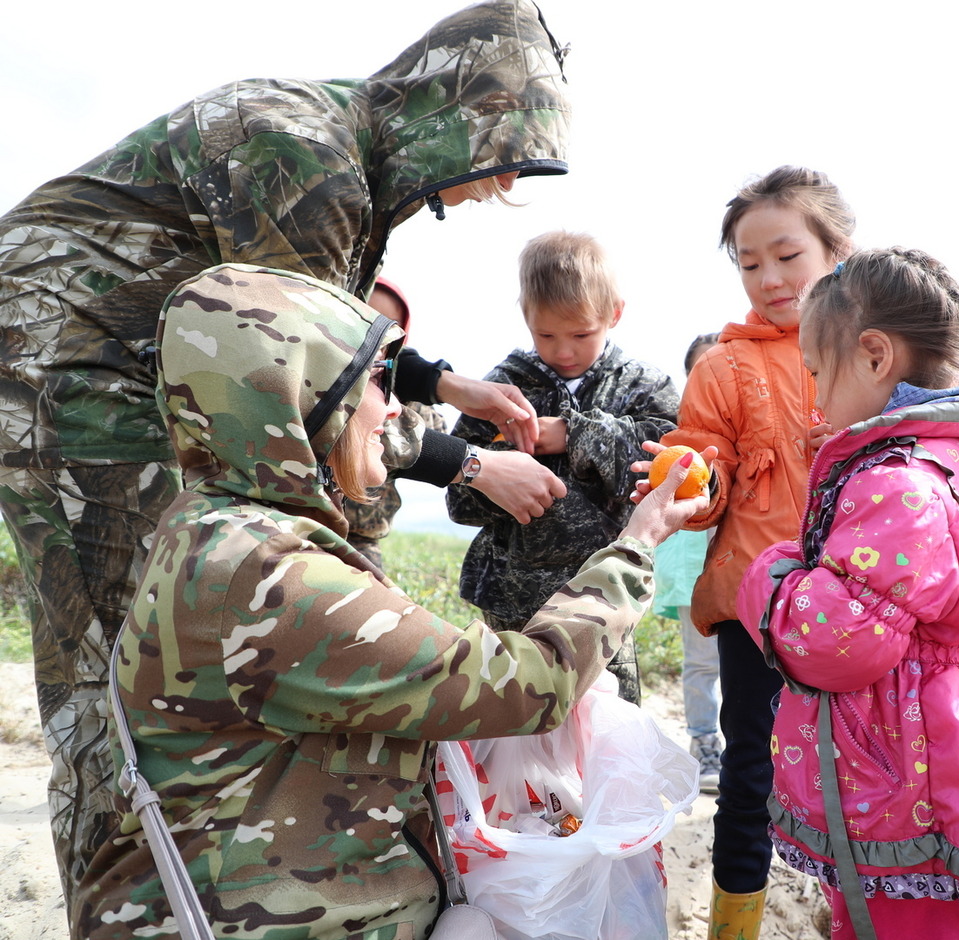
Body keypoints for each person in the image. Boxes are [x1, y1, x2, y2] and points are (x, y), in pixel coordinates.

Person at [0, 0, 571, 911]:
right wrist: (467, 465)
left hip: (110, 366)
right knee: (117, 671)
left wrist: (443, 383)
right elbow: (300, 388)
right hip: (74, 383)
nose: (478, 198)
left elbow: (331, 354)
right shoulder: (309, 163)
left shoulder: (342, 141)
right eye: (487, 173)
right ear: (451, 123)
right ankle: (141, 911)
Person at [73, 263, 707, 940]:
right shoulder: (270, 577)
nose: (397, 410)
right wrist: (638, 542)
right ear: (303, 395)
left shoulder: (214, 525)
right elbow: (532, 683)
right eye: (376, 381)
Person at [737, 248, 959, 938]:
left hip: (907, 781)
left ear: (873, 358)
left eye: (815, 371)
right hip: (952, 767)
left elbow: (832, 643)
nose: (814, 397)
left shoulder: (895, 480)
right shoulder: (954, 460)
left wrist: (771, 574)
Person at [657, 166, 855, 939]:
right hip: (755, 604)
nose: (769, 277)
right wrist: (690, 476)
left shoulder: (878, 350)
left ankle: (861, 917)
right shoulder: (724, 366)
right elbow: (705, 478)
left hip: (867, 605)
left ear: (837, 250)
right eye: (749, 262)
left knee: (868, 776)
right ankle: (732, 927)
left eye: (787, 255)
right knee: (750, 773)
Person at [446, 231, 680, 705]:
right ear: (526, 317)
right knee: (511, 724)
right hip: (512, 601)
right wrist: (502, 467)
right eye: (546, 335)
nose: (564, 350)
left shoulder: (643, 386)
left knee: (607, 731)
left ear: (614, 313)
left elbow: (668, 462)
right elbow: (457, 495)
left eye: (581, 334)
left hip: (606, 599)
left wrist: (573, 434)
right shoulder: (500, 388)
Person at [653, 332, 721, 791]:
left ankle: (740, 745)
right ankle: (704, 743)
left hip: (736, 564)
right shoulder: (679, 433)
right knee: (702, 663)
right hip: (688, 567)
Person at [343, 278, 447, 569]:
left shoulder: (400, 401)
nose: (373, 341)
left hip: (361, 537)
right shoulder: (317, 388)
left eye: (387, 330)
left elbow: (434, 432)